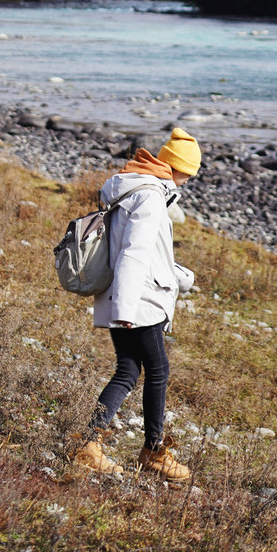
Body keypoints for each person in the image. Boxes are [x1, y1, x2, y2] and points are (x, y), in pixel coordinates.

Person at [72, 128, 201, 483]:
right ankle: (153, 451)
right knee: (157, 370)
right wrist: (126, 309)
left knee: (129, 370)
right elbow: (134, 252)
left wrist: (177, 275)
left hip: (125, 293)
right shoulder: (150, 198)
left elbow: (138, 249)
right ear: (176, 167)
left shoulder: (134, 188)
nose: (189, 180)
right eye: (189, 172)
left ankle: (88, 443)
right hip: (137, 301)